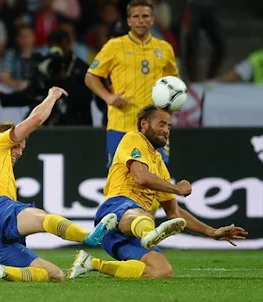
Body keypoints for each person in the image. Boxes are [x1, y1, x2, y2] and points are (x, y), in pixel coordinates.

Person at [67, 105, 248, 279]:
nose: (166, 130)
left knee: (161, 271)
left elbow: (174, 213)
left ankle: (91, 263)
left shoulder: (159, 164)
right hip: (115, 210)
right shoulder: (133, 139)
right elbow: (141, 178)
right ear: (144, 123)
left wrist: (212, 232)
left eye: (169, 126)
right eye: (161, 124)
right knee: (140, 215)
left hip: (120, 236)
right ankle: (147, 232)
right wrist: (176, 189)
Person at [0, 86, 118, 282]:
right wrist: (52, 96)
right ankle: (87, 236)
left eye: (23, 148)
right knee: (42, 218)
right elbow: (36, 119)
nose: (20, 152)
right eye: (18, 145)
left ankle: (1, 271)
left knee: (56, 275)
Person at [85, 0, 178, 168]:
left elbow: (173, 82)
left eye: (145, 16)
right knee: (119, 175)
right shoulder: (114, 46)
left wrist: (172, 105)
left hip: (155, 126)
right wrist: (107, 97)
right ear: (129, 21)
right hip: (121, 124)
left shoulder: (164, 49)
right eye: (136, 16)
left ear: (152, 19)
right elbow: (90, 76)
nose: (140, 20)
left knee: (157, 176)